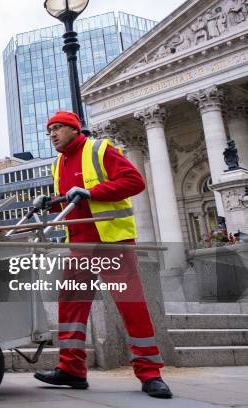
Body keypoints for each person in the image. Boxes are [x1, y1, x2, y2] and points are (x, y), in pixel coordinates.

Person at [33, 112, 172, 399]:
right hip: (80, 243)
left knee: (131, 304)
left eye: (57, 129)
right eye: (49, 131)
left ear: (74, 129)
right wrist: (49, 204)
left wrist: (92, 192)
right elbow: (72, 203)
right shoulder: (58, 163)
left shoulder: (100, 149)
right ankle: (71, 369)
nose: (52, 135)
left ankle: (150, 374)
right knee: (70, 304)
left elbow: (135, 182)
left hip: (112, 240)